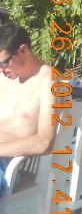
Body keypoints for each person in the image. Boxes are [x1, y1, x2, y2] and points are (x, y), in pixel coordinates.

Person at [0, 21, 55, 193]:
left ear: (23, 51)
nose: (1, 70)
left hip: (9, 165)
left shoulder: (49, 81)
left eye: (4, 63)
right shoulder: (4, 77)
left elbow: (45, 142)